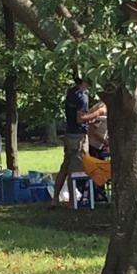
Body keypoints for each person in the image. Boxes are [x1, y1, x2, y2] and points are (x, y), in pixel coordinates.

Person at [52, 77, 105, 208]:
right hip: (78, 137)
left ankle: (55, 199)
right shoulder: (82, 97)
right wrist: (98, 113)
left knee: (65, 168)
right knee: (75, 170)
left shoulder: (71, 92)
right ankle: (72, 202)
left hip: (69, 134)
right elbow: (80, 119)